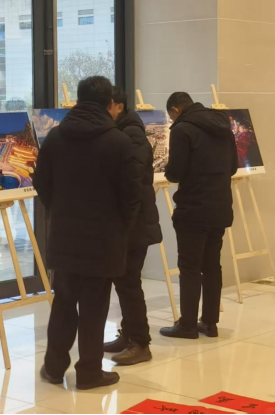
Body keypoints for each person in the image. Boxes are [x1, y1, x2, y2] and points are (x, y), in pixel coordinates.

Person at [34, 76, 142, 390]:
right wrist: (121, 227)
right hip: (104, 239)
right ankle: (89, 372)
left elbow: (42, 183)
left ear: (78, 101)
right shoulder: (119, 141)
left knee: (64, 303)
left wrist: (60, 210)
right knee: (95, 307)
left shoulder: (56, 137)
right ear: (110, 104)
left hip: (65, 236)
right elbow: (131, 195)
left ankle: (54, 367)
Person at [160, 92, 238, 340]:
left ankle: (187, 325)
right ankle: (210, 323)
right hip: (220, 206)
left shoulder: (182, 129)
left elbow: (175, 173)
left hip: (193, 208)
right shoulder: (223, 125)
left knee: (190, 267)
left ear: (175, 110)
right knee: (212, 266)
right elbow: (233, 167)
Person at [104, 88, 162, 365]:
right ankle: (128, 335)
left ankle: (140, 343)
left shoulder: (132, 134)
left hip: (135, 223)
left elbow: (133, 178)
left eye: (106, 106)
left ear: (118, 106)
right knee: (124, 282)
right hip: (131, 221)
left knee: (129, 283)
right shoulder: (124, 130)